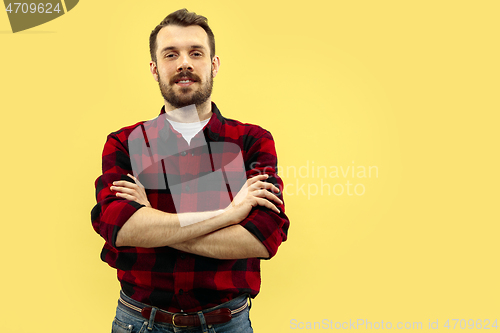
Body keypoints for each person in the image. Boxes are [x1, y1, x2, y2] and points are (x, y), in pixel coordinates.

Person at [91, 8, 289, 332]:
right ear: (155, 69)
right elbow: (120, 229)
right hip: (139, 323)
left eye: (196, 53)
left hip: (227, 324)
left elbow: (262, 238)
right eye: (171, 54)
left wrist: (152, 221)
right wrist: (230, 214)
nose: (184, 63)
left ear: (213, 64)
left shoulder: (252, 141)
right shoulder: (124, 142)